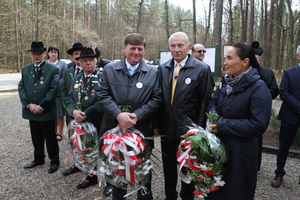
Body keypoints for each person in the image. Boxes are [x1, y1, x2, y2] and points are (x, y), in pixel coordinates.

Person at [96, 33, 162, 200]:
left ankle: (144, 196)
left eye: (140, 49)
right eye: (132, 48)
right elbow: (102, 95)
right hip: (114, 129)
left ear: (144, 50)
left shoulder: (154, 72)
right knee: (118, 169)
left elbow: (157, 98)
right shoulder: (110, 69)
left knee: (142, 169)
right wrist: (118, 114)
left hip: (141, 129)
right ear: (125, 48)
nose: (136, 52)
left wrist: (137, 115)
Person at [206, 42, 272, 200]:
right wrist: (213, 116)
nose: (225, 62)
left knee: (235, 193)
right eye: (225, 58)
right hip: (219, 149)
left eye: (229, 58)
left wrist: (221, 125)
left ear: (245, 61)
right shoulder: (225, 81)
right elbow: (213, 102)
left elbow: (258, 124)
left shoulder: (258, 87)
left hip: (241, 154)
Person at [157, 32, 213, 200]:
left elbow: (205, 102)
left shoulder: (202, 69)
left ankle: (187, 197)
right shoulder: (163, 68)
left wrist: (200, 131)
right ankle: (170, 196)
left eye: (180, 45)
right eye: (173, 46)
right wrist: (157, 125)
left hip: (189, 132)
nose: (176, 49)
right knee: (168, 167)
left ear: (189, 47)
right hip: (167, 128)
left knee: (187, 168)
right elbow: (158, 99)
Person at [18, 41, 60, 174]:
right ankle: (39, 158)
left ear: (44, 53)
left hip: (45, 111)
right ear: (31, 54)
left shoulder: (53, 69)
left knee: (50, 138)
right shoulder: (25, 69)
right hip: (32, 111)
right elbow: (21, 87)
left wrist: (41, 106)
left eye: (39, 53)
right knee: (36, 136)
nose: (37, 56)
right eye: (34, 53)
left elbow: (53, 90)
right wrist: (29, 105)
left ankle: (54, 161)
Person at [65, 47, 103, 189]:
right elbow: (69, 97)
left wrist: (87, 113)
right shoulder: (76, 78)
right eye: (85, 60)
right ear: (79, 63)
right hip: (78, 122)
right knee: (83, 147)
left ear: (96, 62)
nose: (88, 63)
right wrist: (73, 111)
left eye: (91, 60)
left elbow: (103, 100)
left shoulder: (102, 77)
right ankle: (86, 171)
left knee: (97, 148)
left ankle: (98, 175)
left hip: (96, 121)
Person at [272, 44, 300, 188]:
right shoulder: (289, 73)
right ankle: (279, 173)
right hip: (290, 116)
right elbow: (284, 93)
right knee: (284, 146)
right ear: (297, 56)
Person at [251, 41, 279, 171]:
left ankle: (256, 165)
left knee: (257, 138)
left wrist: (263, 97)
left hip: (259, 110)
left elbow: (274, 90)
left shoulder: (267, 73)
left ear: (259, 59)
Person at [46, 45, 67, 141]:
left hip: (58, 93)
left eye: (55, 52)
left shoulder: (62, 64)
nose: (54, 54)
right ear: (48, 54)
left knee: (59, 114)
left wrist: (56, 84)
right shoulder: (45, 63)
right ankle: (53, 131)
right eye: (52, 52)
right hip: (47, 93)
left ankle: (60, 132)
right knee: (51, 114)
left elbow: (63, 77)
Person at [60, 42, 84, 127]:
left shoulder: (88, 72)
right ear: (72, 57)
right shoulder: (68, 72)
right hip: (70, 113)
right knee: (72, 137)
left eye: (80, 53)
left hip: (83, 114)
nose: (78, 56)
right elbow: (63, 91)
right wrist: (68, 107)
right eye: (76, 54)